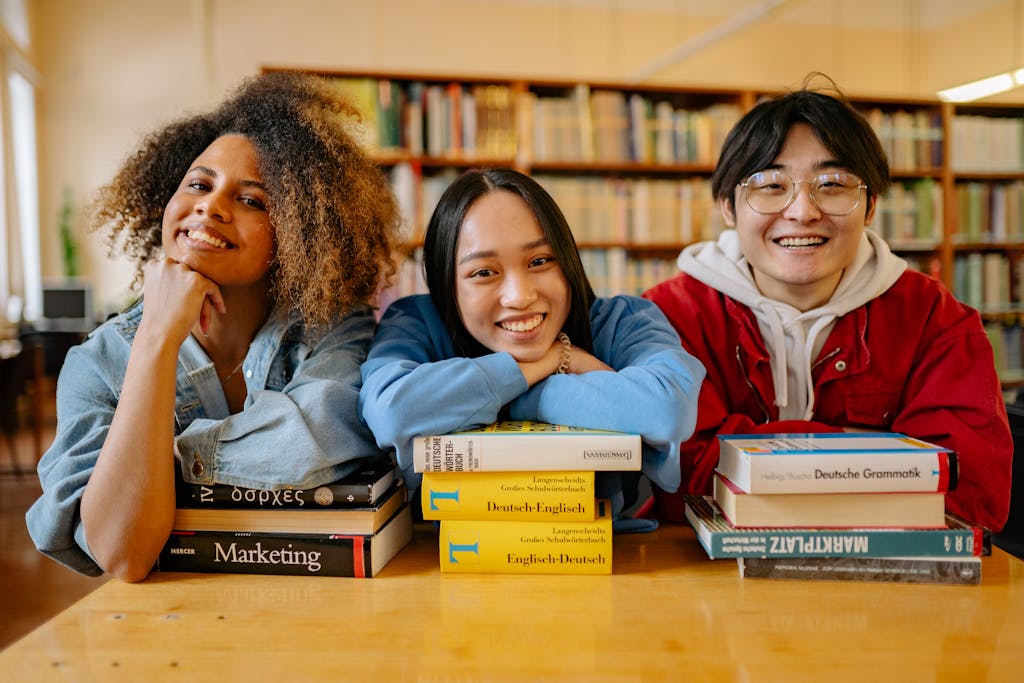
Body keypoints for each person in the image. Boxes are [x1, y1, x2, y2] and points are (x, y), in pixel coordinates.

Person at [26, 72, 401, 581]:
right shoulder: (98, 362)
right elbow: (124, 554)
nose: (209, 205)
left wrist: (158, 466)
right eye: (199, 184)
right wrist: (156, 339)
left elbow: (318, 435)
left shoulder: (335, 330)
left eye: (252, 201)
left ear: (299, 233)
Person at [643, 78, 1012, 531]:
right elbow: (673, 481)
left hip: (890, 586)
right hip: (703, 583)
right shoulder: (667, 318)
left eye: (832, 184)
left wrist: (753, 457)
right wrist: (867, 451)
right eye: (770, 185)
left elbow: (966, 493)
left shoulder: (935, 320)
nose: (802, 210)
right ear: (728, 207)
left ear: (870, 204)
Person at [359, 168, 705, 521]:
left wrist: (521, 399)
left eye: (539, 261)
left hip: (603, 558)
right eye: (484, 272)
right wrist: (552, 360)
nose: (520, 296)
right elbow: (391, 411)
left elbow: (669, 409)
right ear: (447, 283)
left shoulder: (622, 320)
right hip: (436, 563)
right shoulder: (416, 322)